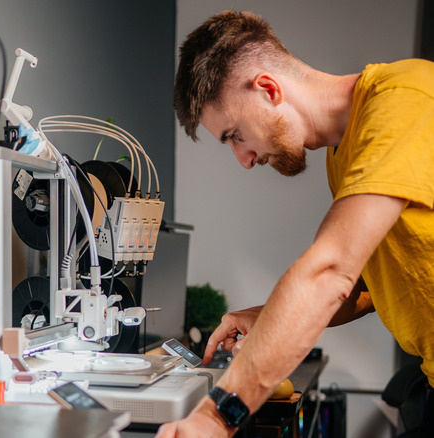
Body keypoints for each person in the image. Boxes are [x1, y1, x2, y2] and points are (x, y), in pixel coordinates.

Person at [156, 10, 434, 438]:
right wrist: (268, 319)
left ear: (268, 89)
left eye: (234, 135)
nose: (243, 159)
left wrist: (215, 417)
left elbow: (329, 272)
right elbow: (365, 287)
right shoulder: (343, 156)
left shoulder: (406, 98)